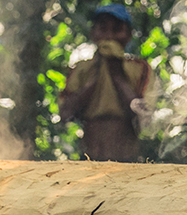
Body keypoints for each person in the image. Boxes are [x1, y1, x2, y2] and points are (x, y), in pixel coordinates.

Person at [58, 3, 158, 162]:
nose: (109, 36)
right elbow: (65, 114)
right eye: (103, 29)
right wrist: (94, 79)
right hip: (89, 158)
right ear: (93, 34)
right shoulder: (82, 69)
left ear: (128, 35)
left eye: (117, 29)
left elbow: (144, 117)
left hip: (127, 159)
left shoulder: (140, 69)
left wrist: (117, 76)